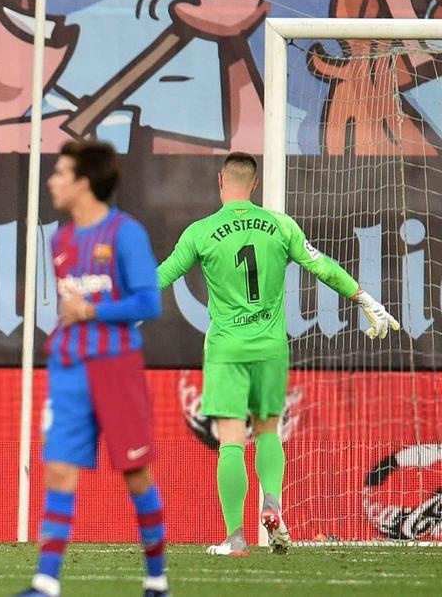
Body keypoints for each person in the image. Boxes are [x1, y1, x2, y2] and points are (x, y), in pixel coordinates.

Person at [156, 152, 400, 555]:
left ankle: (235, 539)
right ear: (254, 185)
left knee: (232, 438)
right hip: (270, 347)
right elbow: (323, 267)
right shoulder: (280, 226)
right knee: (268, 429)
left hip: (226, 349)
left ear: (221, 180)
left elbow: (162, 276)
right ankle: (272, 502)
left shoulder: (201, 232)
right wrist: (362, 297)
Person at [19, 141, 169, 597]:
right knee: (59, 469)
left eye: (61, 173)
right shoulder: (61, 240)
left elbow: (149, 301)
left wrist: (92, 312)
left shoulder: (126, 233)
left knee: (135, 474)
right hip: (69, 368)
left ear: (83, 183)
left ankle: (157, 578)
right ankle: (46, 582)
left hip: (116, 367)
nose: (53, 181)